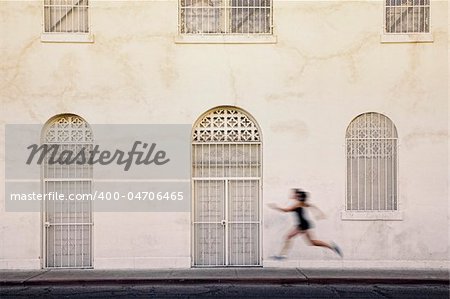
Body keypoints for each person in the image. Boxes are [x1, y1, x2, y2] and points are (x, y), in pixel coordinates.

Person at [268, 188, 342, 259]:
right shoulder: (302, 203)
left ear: (297, 195)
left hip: (302, 225)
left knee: (288, 237)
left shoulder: (297, 204)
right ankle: (332, 246)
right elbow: (312, 206)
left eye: (293, 194)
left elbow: (286, 210)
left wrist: (275, 207)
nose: (292, 195)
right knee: (312, 242)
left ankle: (282, 255)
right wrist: (319, 214)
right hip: (302, 224)